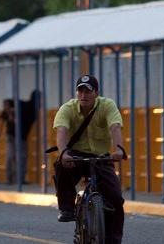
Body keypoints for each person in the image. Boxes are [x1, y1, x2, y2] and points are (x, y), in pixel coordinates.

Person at [52, 74, 126, 244]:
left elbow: (115, 127)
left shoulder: (107, 105)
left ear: (96, 93)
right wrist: (63, 153)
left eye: (88, 91)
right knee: (60, 166)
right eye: (80, 91)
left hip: (101, 157)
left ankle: (113, 240)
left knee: (116, 199)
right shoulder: (68, 108)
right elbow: (61, 131)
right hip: (75, 155)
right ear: (77, 93)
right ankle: (67, 208)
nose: (84, 95)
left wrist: (119, 149)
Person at [0, 98, 16, 183]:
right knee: (10, 157)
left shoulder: (13, 112)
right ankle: (9, 179)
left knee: (16, 158)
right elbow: (1, 123)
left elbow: (12, 121)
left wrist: (10, 113)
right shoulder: (5, 112)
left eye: (6, 105)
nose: (4, 107)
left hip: (17, 137)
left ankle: (16, 178)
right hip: (10, 136)